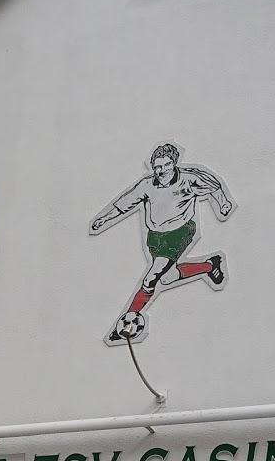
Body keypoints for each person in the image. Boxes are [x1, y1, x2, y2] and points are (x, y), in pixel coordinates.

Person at [89, 142, 234, 345]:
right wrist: (104, 218)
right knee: (166, 279)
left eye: (165, 165)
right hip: (155, 238)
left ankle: (126, 326)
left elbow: (214, 186)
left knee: (151, 279)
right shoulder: (147, 185)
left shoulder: (189, 179)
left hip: (180, 232)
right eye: (157, 167)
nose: (161, 170)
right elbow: (124, 203)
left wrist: (223, 203)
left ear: (173, 163)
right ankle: (210, 265)